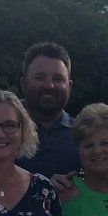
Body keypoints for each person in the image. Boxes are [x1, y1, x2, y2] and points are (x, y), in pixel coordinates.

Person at [19, 42, 79, 178]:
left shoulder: (83, 138)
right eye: (40, 77)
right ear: (24, 84)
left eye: (58, 79)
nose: (50, 86)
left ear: (69, 87)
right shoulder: (0, 133)